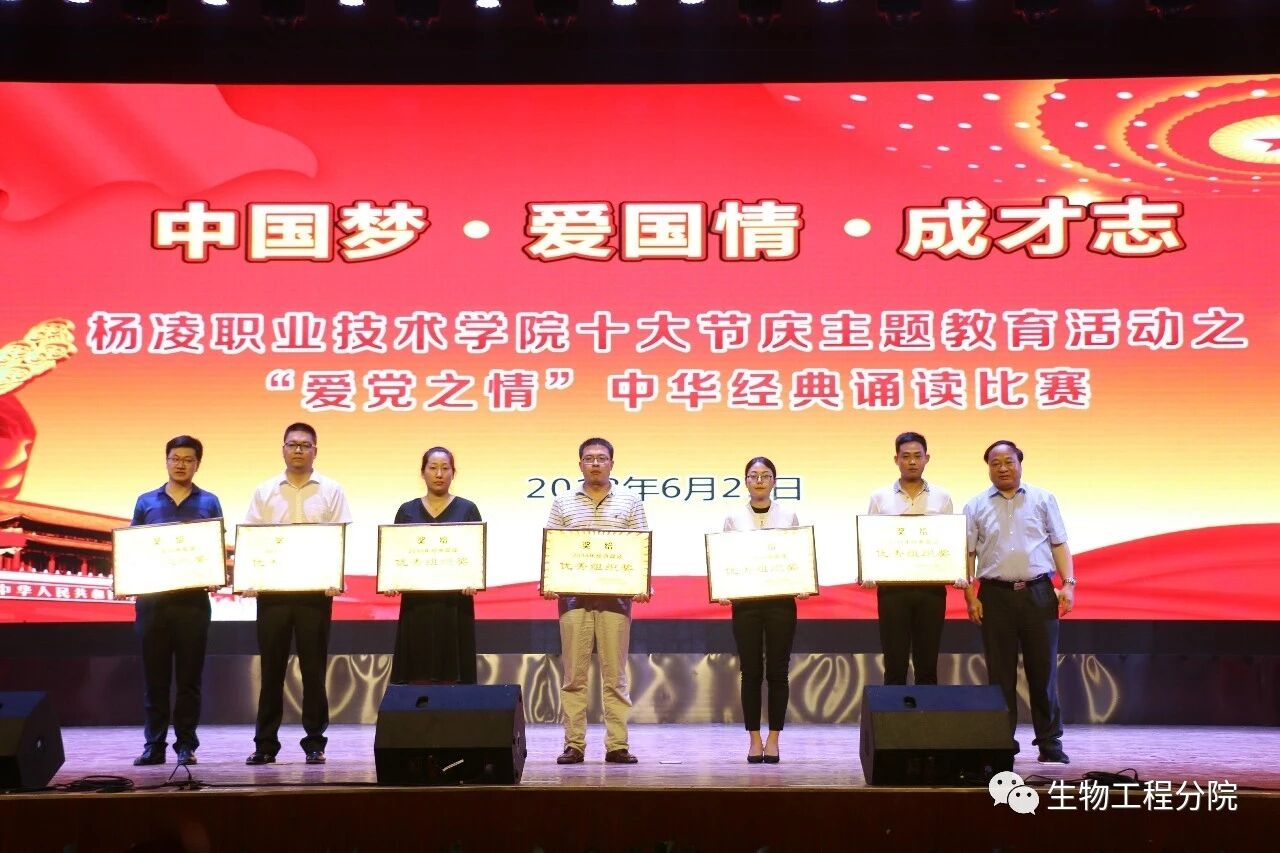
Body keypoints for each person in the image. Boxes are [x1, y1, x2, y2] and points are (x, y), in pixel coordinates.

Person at [243, 422, 353, 766]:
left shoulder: (332, 490)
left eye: (305, 445)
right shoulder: (264, 491)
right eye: (292, 444)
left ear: (315, 451)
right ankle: (265, 744)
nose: (299, 450)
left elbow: (338, 539)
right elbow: (253, 540)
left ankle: (315, 743)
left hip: (314, 594)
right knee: (271, 671)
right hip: (273, 594)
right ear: (283, 449)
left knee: (314, 671)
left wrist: (334, 577)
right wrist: (251, 578)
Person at [963, 439, 1075, 765]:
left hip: (1038, 592)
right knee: (1000, 676)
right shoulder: (975, 505)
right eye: (995, 463)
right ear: (988, 468)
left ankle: (1050, 743)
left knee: (1043, 672)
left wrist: (1068, 584)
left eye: (1008, 461)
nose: (1002, 468)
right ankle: (1002, 743)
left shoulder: (1043, 499)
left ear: (1020, 463)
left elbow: (1059, 543)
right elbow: (967, 554)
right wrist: (970, 596)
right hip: (994, 595)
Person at [544, 437, 649, 765]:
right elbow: (553, 549)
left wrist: (642, 583)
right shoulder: (563, 503)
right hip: (573, 600)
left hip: (616, 601)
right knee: (573, 677)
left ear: (612, 464)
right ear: (580, 464)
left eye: (601, 458)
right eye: (589, 458)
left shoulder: (630, 502)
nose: (595, 463)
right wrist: (549, 581)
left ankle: (617, 744)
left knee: (615, 676)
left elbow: (640, 548)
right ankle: (573, 744)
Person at [129, 435, 224, 767]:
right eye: (175, 458)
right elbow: (133, 549)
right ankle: (154, 744)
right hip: (153, 604)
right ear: (166, 461)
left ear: (198, 464)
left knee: (189, 680)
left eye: (188, 459)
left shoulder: (209, 502)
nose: (181, 464)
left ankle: (186, 744)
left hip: (192, 605)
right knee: (155, 680)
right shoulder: (146, 502)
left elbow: (215, 547)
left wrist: (215, 572)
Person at [720, 456, 802, 764]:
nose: (759, 481)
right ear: (745, 481)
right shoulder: (733, 518)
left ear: (774, 481)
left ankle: (774, 738)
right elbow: (726, 559)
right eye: (753, 476)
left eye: (765, 475)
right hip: (746, 604)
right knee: (751, 672)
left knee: (778, 672)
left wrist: (801, 581)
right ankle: (754, 739)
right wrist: (724, 588)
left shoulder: (789, 515)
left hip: (781, 603)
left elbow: (796, 556)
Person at [864, 432, 959, 686]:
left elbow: (949, 541)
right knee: (894, 664)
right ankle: (893, 713)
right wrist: (868, 570)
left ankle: (926, 712)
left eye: (918, 456)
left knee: (927, 665)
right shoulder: (879, 498)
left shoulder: (942, 497)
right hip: (892, 591)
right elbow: (872, 540)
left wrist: (956, 570)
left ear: (927, 458)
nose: (912, 461)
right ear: (896, 459)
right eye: (906, 456)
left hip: (931, 590)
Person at [389, 447, 482, 684]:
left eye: (445, 468)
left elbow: (474, 553)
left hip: (455, 603)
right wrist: (391, 579)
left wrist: (473, 579)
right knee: (415, 670)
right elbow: (395, 553)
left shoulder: (467, 509)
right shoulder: (407, 511)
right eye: (433, 468)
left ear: (453, 473)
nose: (439, 474)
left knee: (455, 672)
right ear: (423, 473)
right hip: (416, 603)